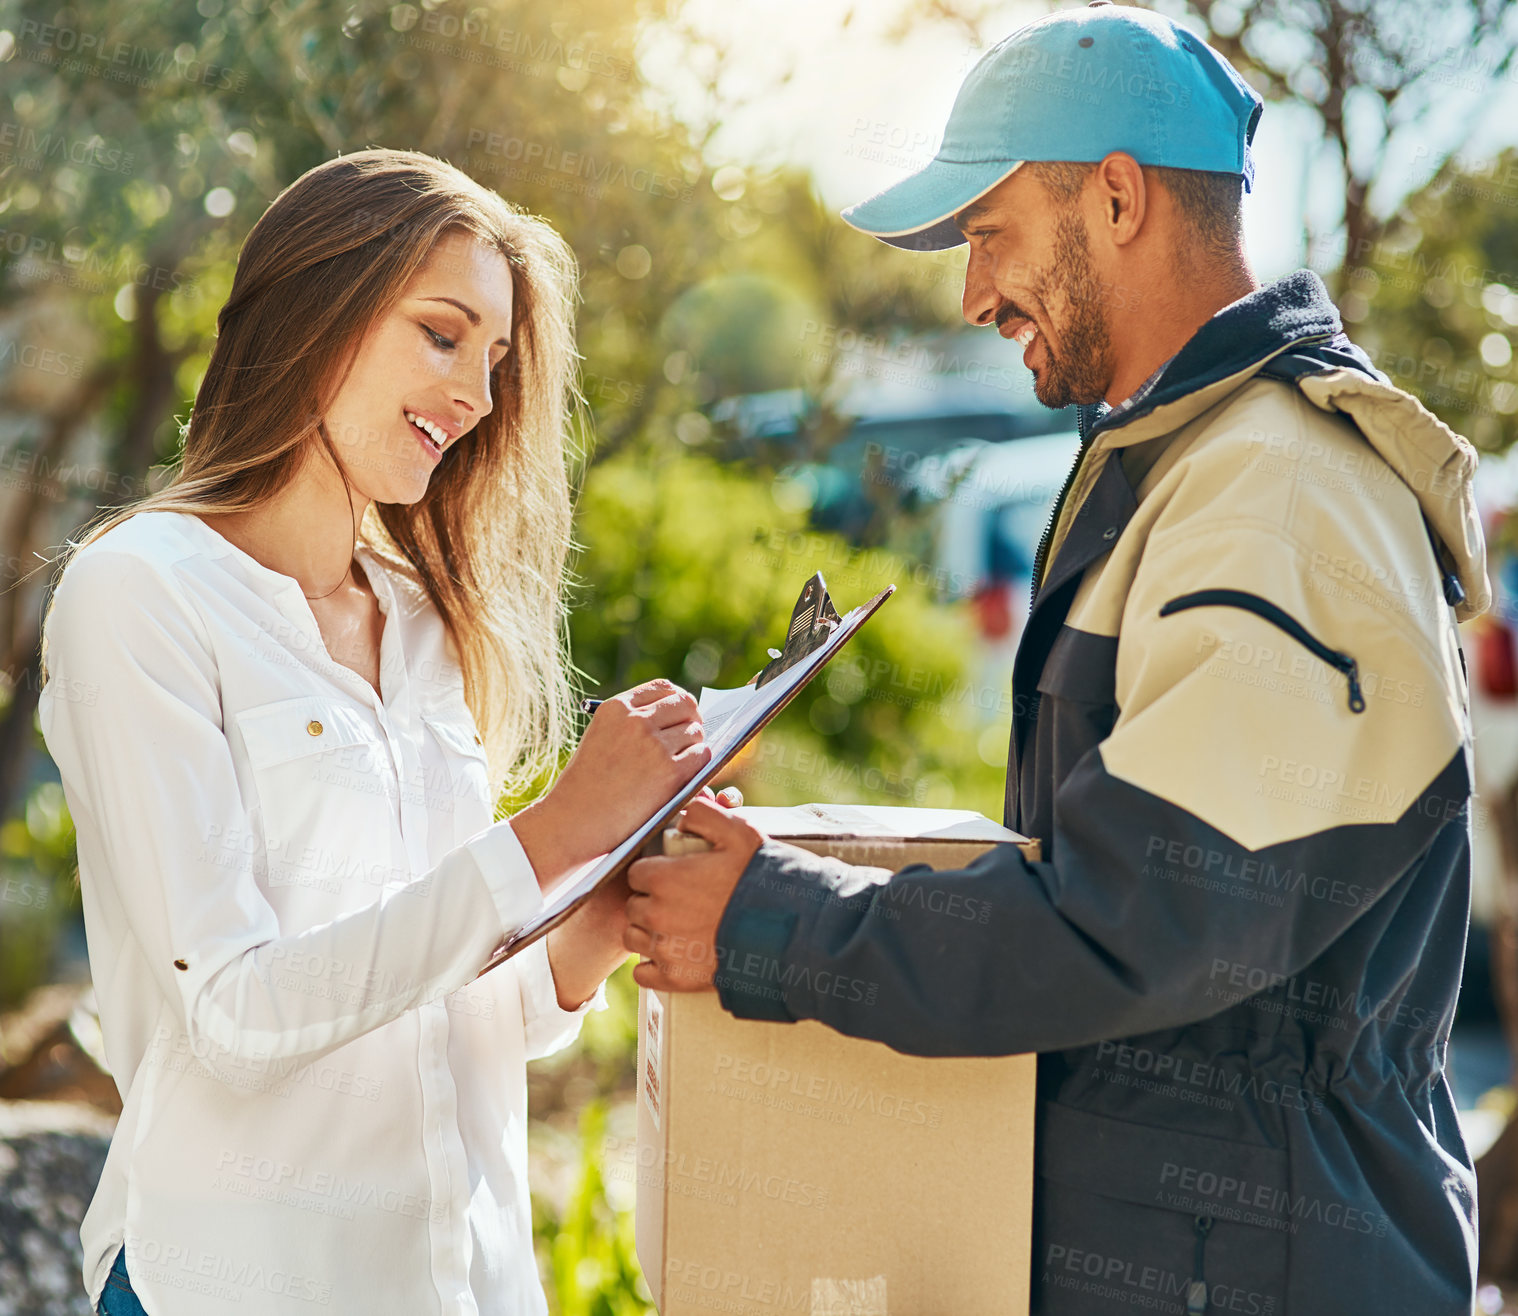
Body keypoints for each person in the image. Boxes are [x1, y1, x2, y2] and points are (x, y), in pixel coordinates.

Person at [623, 5, 1490, 1312]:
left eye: (987, 233)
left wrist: (771, 926)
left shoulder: (1275, 495)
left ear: (1120, 197)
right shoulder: (1193, 467)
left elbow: (1132, 920)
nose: (971, 293)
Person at [39, 148, 712, 1316]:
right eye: (443, 334)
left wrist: (589, 920)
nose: (481, 397)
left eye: (497, 360)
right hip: (237, 1283)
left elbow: (448, 999)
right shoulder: (140, 593)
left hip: (466, 1282)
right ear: (316, 309)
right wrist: (548, 836)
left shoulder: (423, 620)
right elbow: (239, 1013)